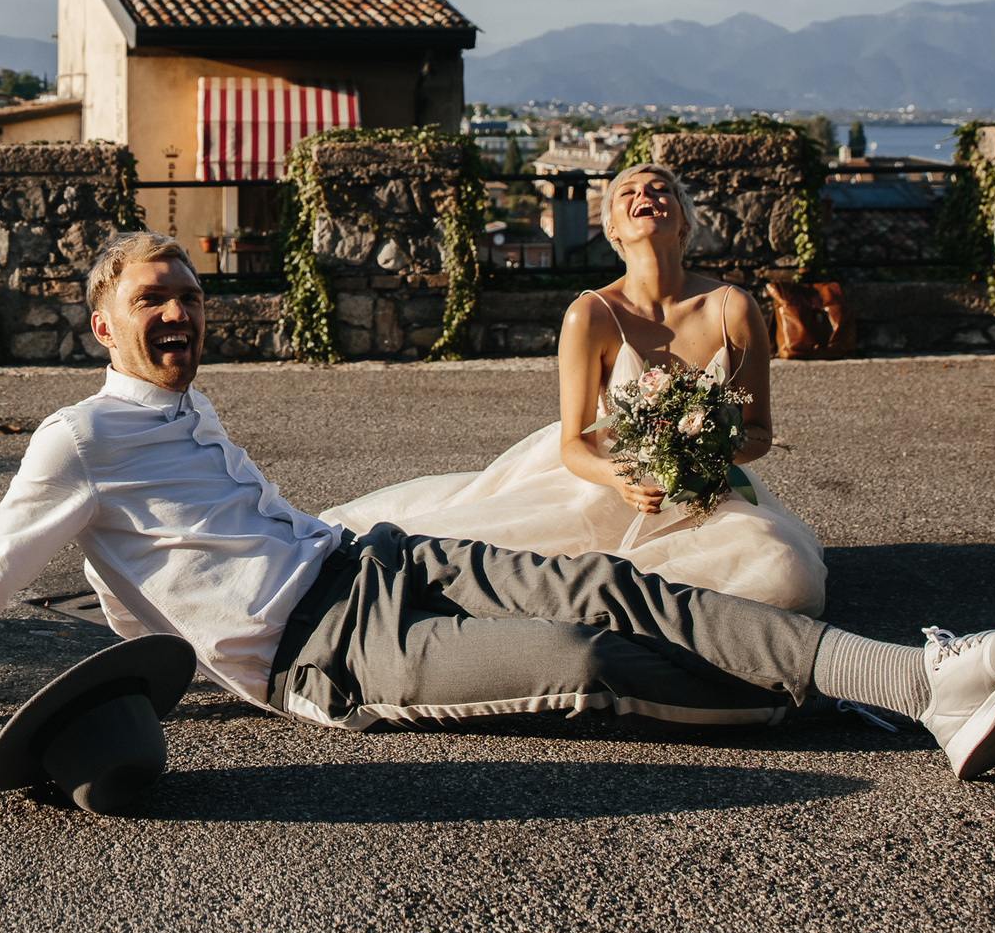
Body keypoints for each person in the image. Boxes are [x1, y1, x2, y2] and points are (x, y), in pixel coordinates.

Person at [0, 230, 995, 781]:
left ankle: (929, 679)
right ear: (102, 321)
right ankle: (869, 698)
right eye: (153, 297)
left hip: (373, 558)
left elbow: (229, 533)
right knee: (580, 661)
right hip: (332, 653)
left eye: (190, 292)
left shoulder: (189, 407)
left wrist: (328, 557)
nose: (180, 309)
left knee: (622, 584)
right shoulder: (77, 440)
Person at [323, 162, 827, 613]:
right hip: (604, 487)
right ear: (612, 229)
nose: (645, 195)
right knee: (482, 554)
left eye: (661, 190)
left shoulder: (732, 308)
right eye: (628, 192)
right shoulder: (590, 315)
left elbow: (758, 433)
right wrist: (620, 477)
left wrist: (706, 455)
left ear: (684, 221)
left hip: (706, 491)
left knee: (786, 576)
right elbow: (574, 443)